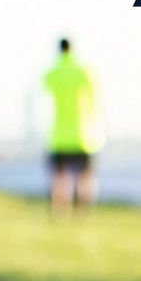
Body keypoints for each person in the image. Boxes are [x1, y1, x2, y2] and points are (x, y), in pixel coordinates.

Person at [41, 38, 103, 214]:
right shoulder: (84, 71)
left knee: (60, 177)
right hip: (84, 135)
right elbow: (95, 100)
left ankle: (60, 211)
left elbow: (42, 94)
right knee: (84, 177)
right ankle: (83, 210)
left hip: (59, 135)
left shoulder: (52, 72)